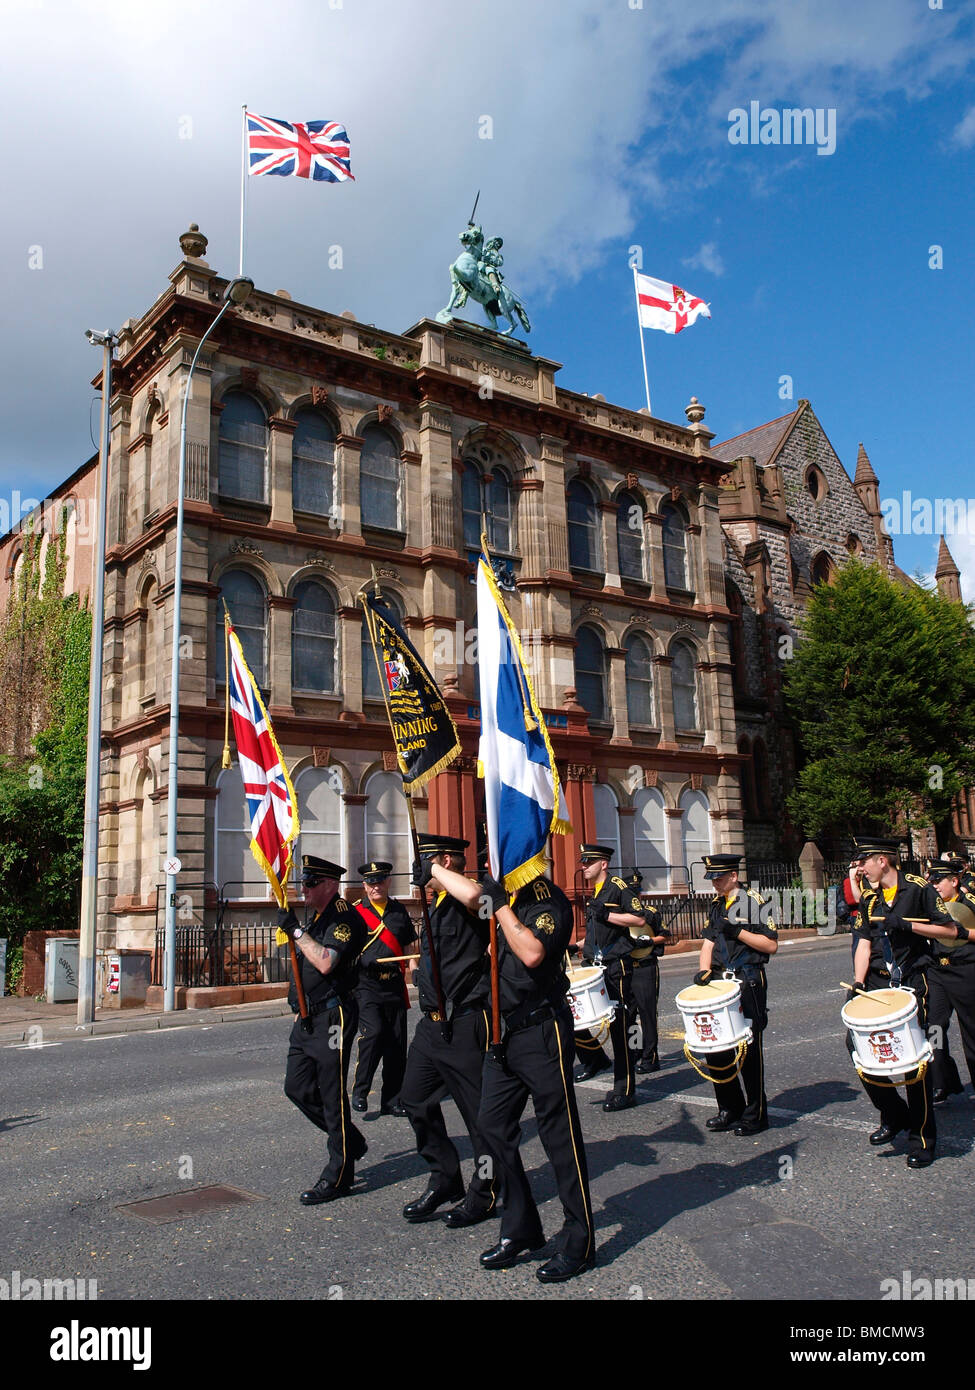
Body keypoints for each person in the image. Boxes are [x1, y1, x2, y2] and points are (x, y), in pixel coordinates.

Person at [475, 869, 596, 1283]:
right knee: (490, 1125)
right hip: (503, 1033)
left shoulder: (550, 900)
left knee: (558, 1137)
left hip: (542, 1030)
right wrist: (435, 871)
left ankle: (579, 1241)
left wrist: (503, 908)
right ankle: (522, 1227)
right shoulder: (501, 894)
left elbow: (531, 953)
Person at [399, 835, 499, 1228]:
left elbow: (479, 900)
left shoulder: (474, 892)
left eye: (426, 862)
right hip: (432, 1025)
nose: (420, 870)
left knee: (480, 1117)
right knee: (413, 1098)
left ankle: (488, 1188)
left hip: (465, 1022)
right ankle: (445, 1178)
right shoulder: (436, 904)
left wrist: (438, 871)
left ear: (443, 861)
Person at [848, 838, 959, 1168]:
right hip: (878, 981)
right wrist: (857, 981)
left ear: (882, 861)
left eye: (864, 860)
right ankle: (894, 1114)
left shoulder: (917, 888)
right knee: (858, 1046)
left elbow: (950, 929)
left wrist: (908, 925)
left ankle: (922, 1137)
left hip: (912, 979)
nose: (859, 867)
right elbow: (864, 944)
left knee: (913, 1057)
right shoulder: (870, 898)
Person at [280, 856, 369, 1205]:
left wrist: (296, 932)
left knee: (332, 1096)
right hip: (306, 1018)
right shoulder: (315, 916)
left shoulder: (344, 916)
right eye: (304, 882)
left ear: (330, 885)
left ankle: (338, 1173)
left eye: (312, 882)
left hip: (334, 1018)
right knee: (297, 1087)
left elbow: (327, 961)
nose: (305, 888)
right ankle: (351, 1140)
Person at [694, 853, 778, 1136]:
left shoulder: (755, 901)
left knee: (748, 1050)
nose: (715, 883)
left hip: (747, 979)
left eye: (719, 878)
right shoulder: (717, 905)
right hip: (719, 981)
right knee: (715, 1046)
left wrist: (737, 931)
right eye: (712, 878)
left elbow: (770, 945)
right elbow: (708, 942)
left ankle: (756, 1114)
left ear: (734, 876)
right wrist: (704, 971)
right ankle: (729, 1108)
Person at [572, 844, 647, 1111]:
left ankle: (624, 1089)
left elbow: (639, 919)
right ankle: (594, 1059)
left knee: (621, 1026)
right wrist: (579, 946)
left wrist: (608, 914)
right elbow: (599, 931)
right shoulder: (596, 891)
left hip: (618, 967)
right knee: (575, 1015)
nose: (584, 866)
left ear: (603, 864)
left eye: (589, 862)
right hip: (596, 964)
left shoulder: (618, 887)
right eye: (583, 862)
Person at [350, 861, 416, 1118]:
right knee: (373, 1034)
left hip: (394, 985)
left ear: (388, 882)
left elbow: (409, 944)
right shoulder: (356, 913)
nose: (375, 886)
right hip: (367, 986)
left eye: (380, 881)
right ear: (364, 886)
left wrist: (414, 970)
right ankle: (360, 1091)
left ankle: (392, 1099)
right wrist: (360, 960)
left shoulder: (399, 911)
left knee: (397, 1045)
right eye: (371, 883)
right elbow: (347, 950)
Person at [923, 860, 975, 1105]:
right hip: (938, 971)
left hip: (965, 971)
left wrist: (963, 933)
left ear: (954, 881)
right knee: (934, 1027)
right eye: (931, 881)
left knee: (971, 1031)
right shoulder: (930, 907)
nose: (934, 885)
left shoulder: (970, 903)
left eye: (938, 881)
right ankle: (941, 1081)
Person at [626, 870, 670, 1075]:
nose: (636, 897)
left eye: (637, 893)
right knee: (629, 1015)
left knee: (647, 1014)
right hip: (627, 969)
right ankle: (635, 1050)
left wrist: (650, 941)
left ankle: (650, 1057)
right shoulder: (622, 914)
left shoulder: (650, 912)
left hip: (646, 967)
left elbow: (664, 935)